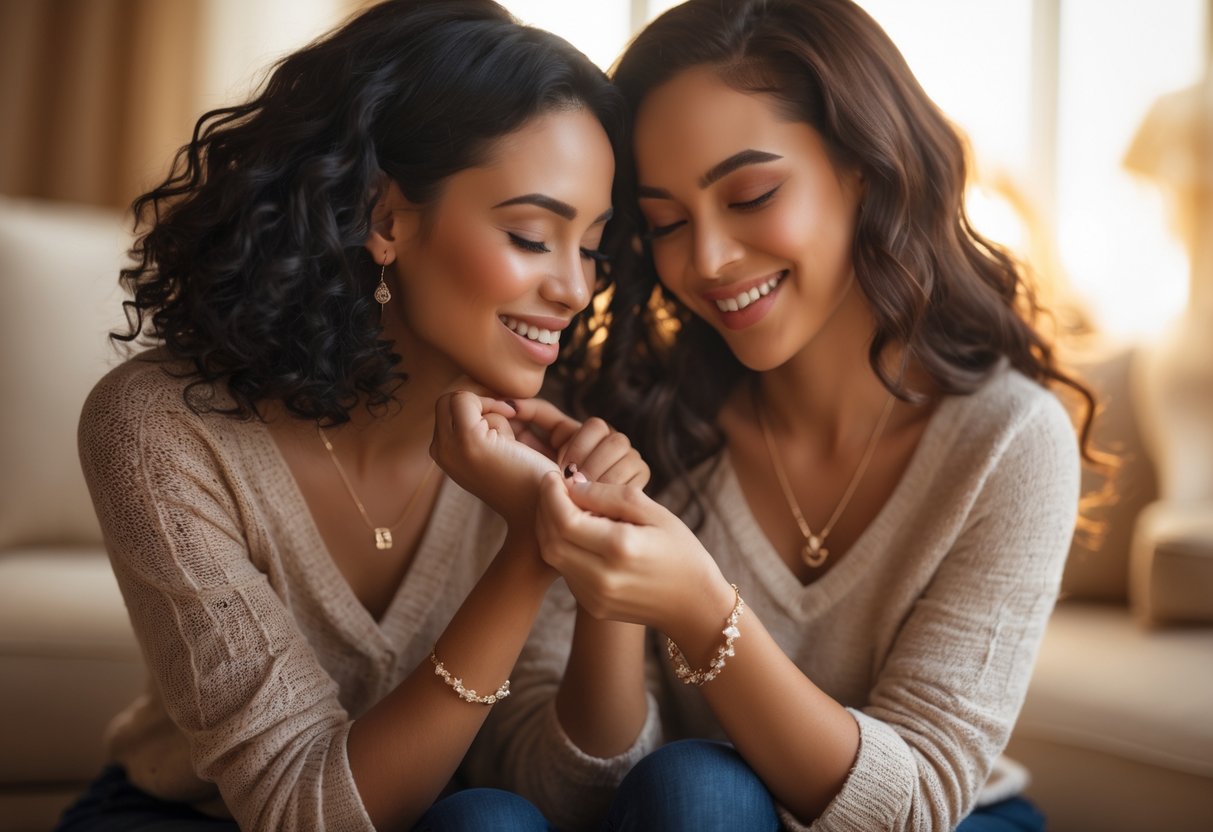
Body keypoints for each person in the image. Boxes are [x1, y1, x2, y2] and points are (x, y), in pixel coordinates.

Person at [473, 1, 1095, 830]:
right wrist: (609, 590)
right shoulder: (634, 423)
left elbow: (913, 804)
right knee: (689, 787)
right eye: (665, 223)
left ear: (864, 169)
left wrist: (701, 608)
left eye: (752, 194)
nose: (708, 260)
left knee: (700, 784)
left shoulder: (1008, 442)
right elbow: (576, 797)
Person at [58, 1, 643, 830]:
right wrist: (527, 552)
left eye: (590, 246)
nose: (575, 289)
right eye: (528, 235)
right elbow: (303, 810)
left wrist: (602, 566)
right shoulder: (160, 429)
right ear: (385, 219)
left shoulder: (549, 443)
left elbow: (568, 793)